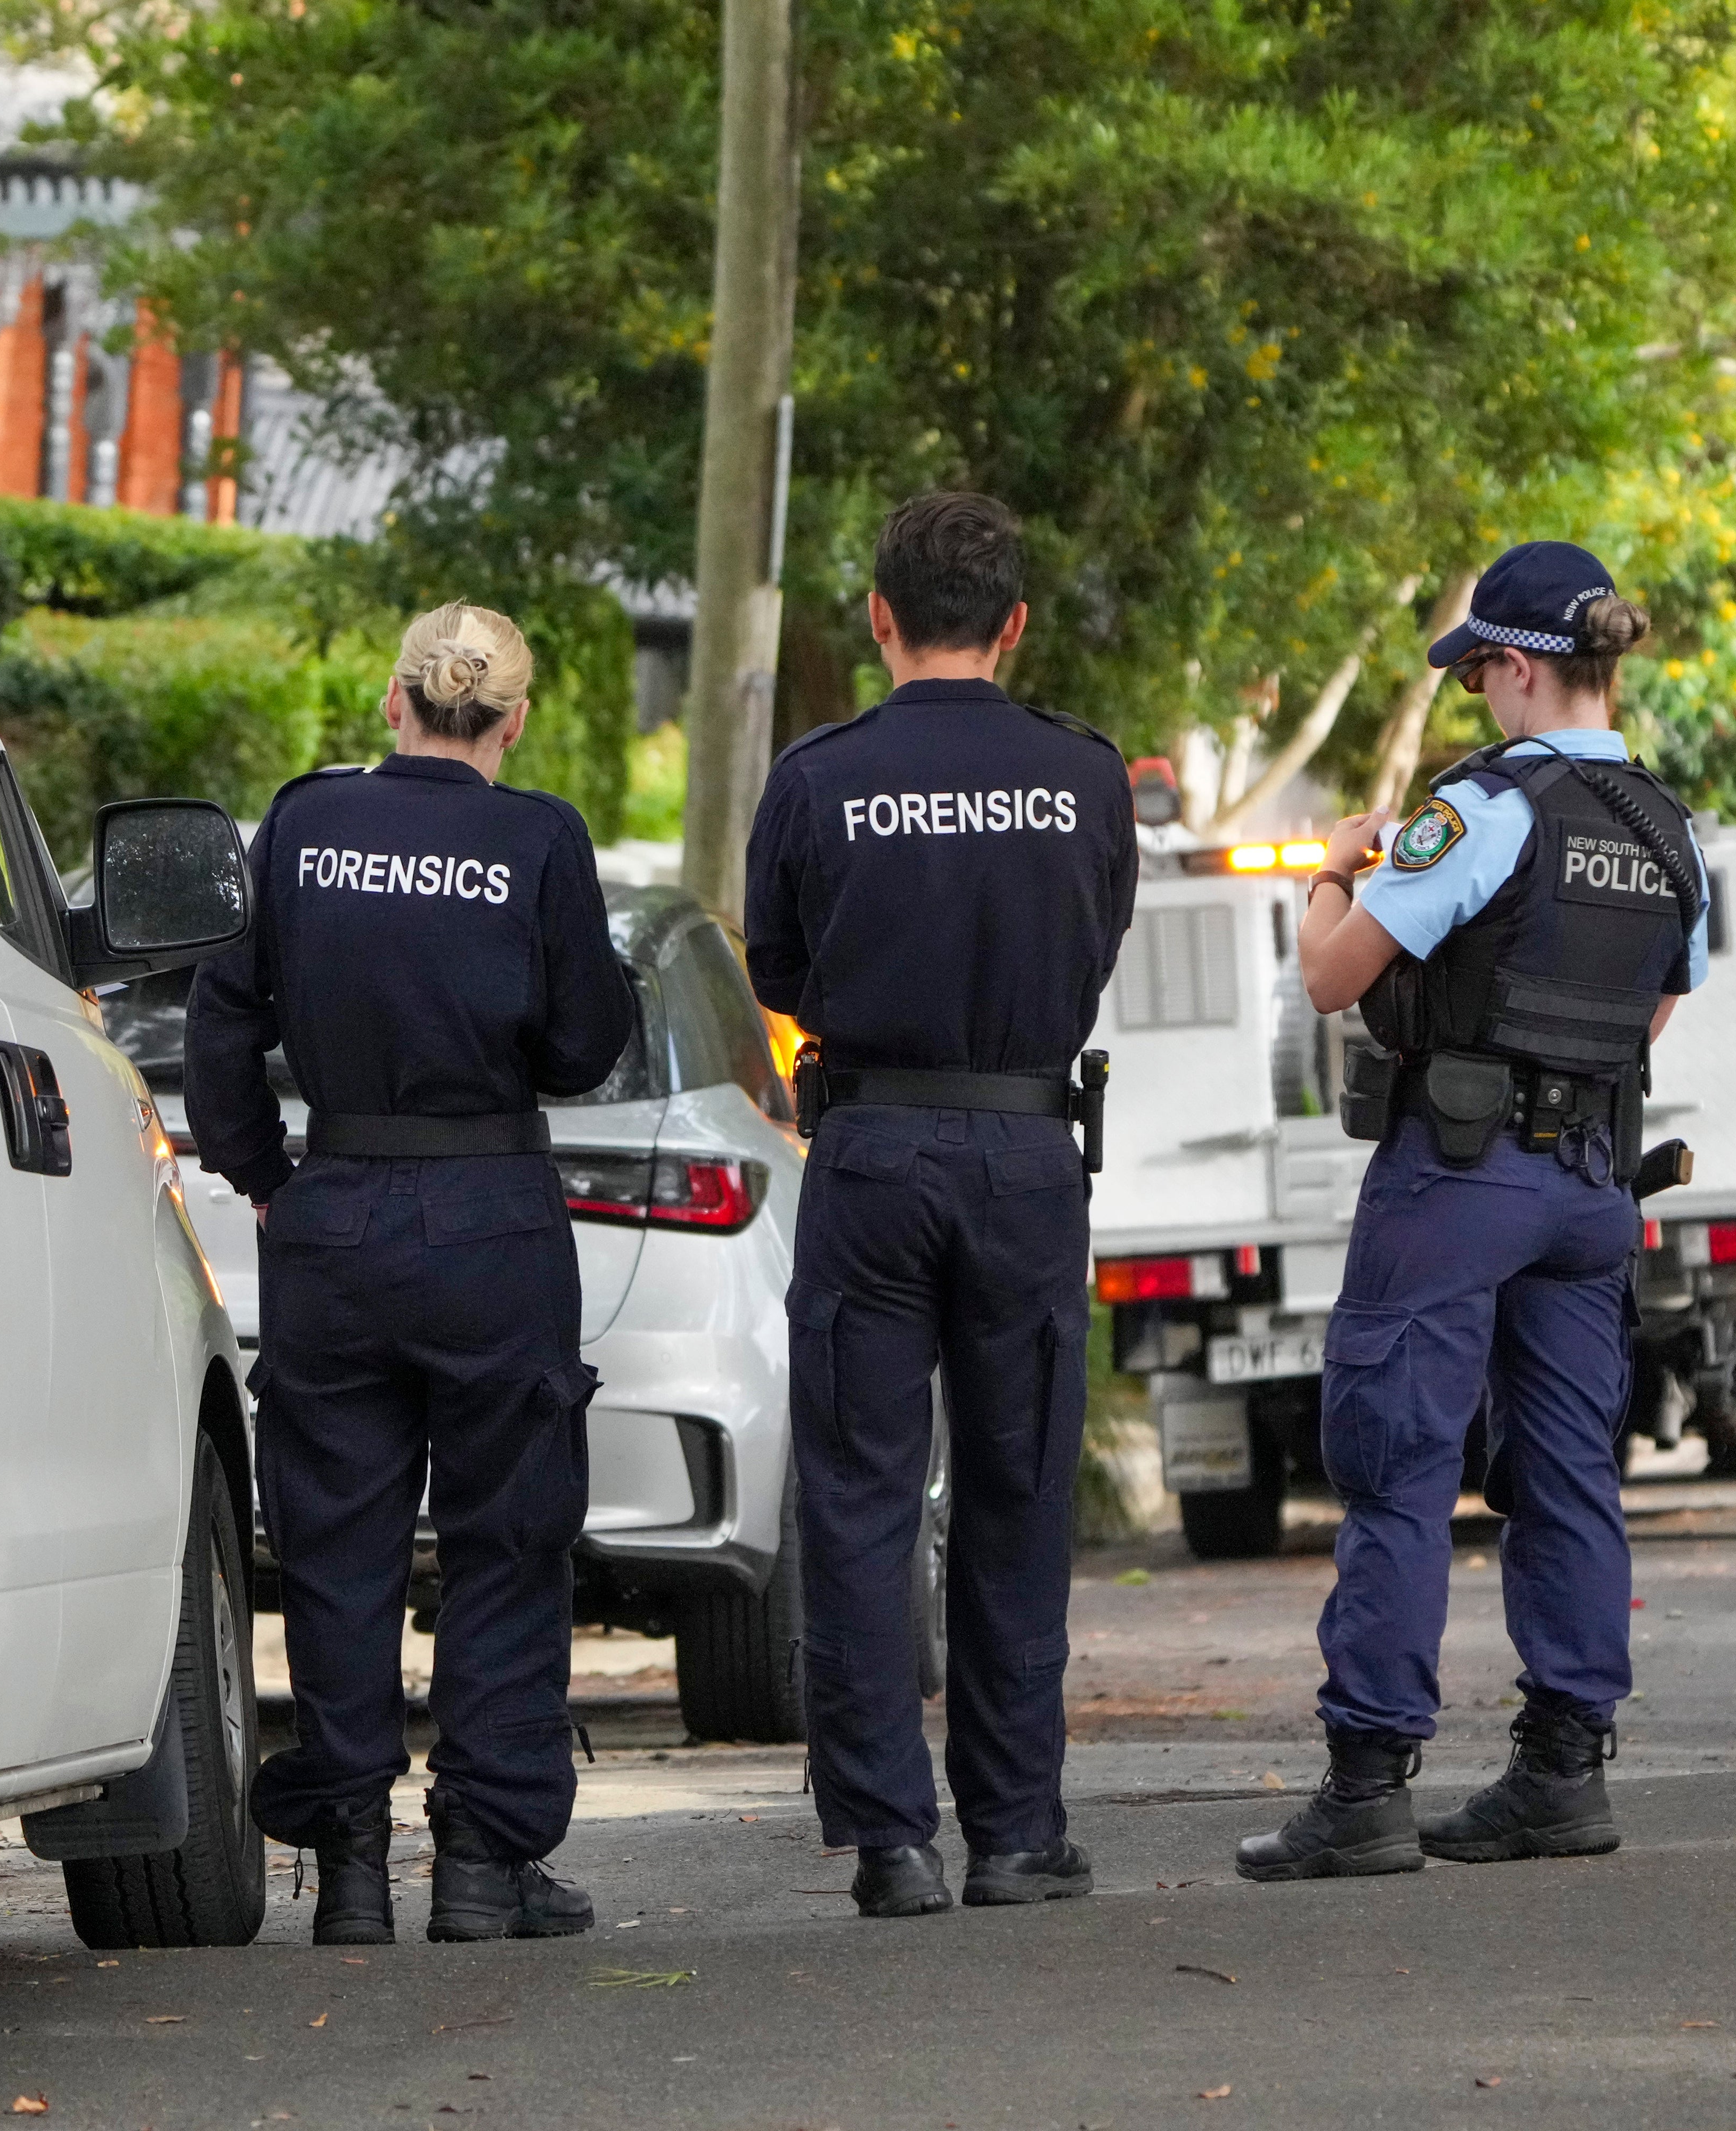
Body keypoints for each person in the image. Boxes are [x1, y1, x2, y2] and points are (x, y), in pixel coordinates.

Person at [1239, 540, 1707, 1882]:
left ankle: (1367, 1784)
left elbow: (1335, 979)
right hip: (1590, 1189)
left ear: (1514, 667)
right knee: (1568, 1467)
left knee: (1394, 1460)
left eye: (1479, 678)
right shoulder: (1672, 833)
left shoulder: (1481, 810)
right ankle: (1563, 1771)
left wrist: (1331, 872)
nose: (1477, 704)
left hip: (1460, 1173)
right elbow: (1651, 1015)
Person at [185, 603, 637, 1944]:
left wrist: (267, 1177)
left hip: (339, 1215)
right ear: (513, 720)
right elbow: (582, 1047)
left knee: (336, 1549)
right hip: (495, 1217)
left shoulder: (306, 825)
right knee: (506, 1538)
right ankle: (487, 1864)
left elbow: (224, 1018)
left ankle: (354, 1869)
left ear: (395, 703)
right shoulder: (539, 837)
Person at [744, 492, 1138, 1918]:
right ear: (1016, 624)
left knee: (859, 1492)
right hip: (1028, 1154)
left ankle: (889, 1840)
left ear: (879, 618)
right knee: (1020, 1487)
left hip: (874, 1153)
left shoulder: (817, 776)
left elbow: (779, 974)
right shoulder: (1083, 777)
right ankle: (1019, 1834)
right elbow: (1094, 946)